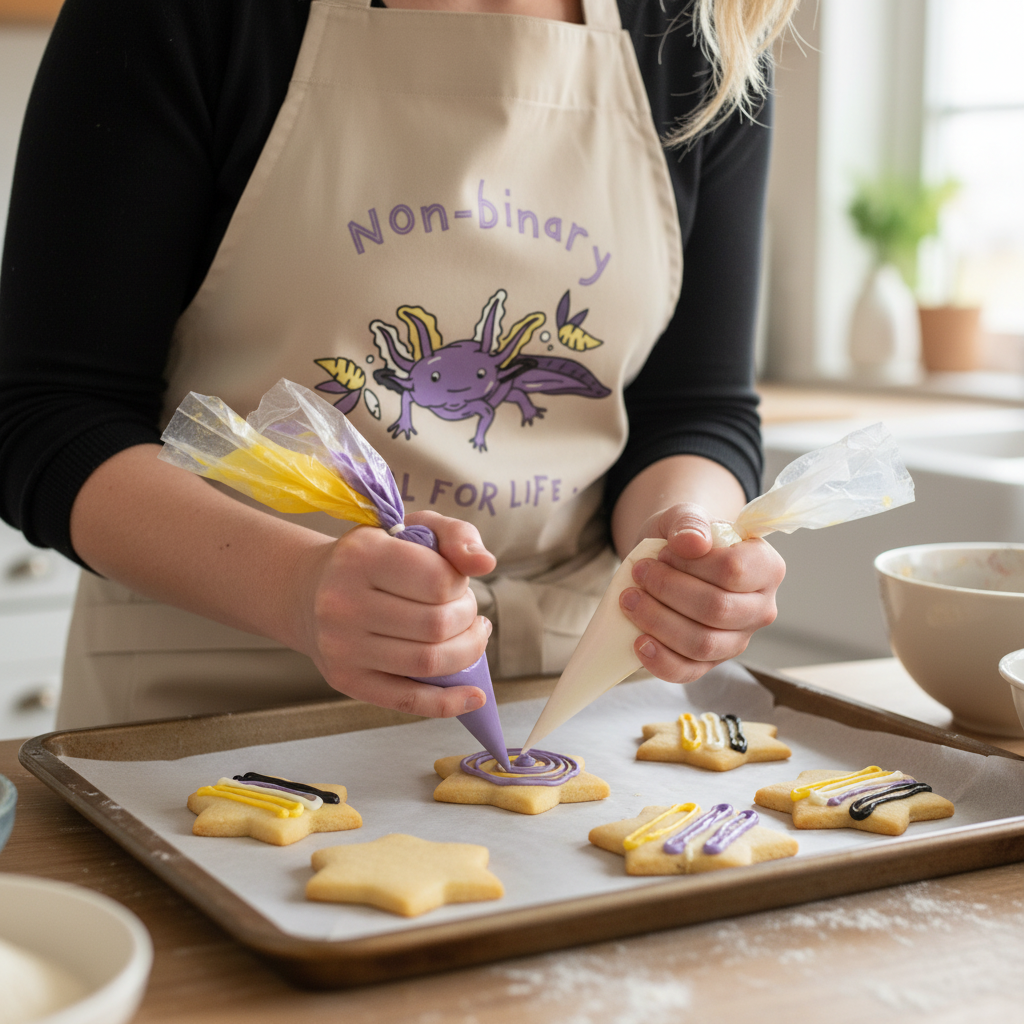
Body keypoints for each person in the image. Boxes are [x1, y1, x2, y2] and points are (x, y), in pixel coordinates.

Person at [0, 0, 792, 729]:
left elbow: (693, 409)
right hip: (212, 706)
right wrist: (297, 588)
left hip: (576, 693)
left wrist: (686, 543)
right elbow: (50, 414)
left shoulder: (700, 26)